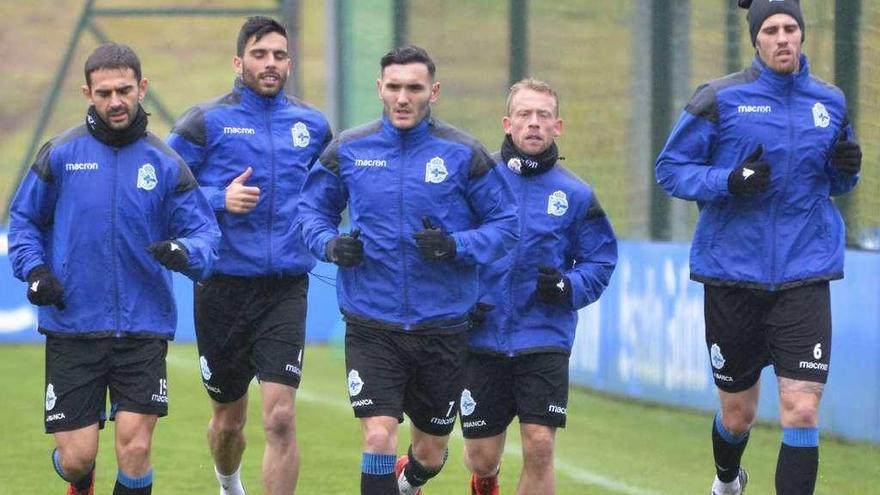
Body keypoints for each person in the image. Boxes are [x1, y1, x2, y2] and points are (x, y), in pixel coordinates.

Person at [655, 1, 862, 493]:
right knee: (738, 414)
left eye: (791, 28)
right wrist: (729, 179)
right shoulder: (720, 99)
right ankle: (728, 478)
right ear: (756, 39)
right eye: (771, 29)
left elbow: (835, 182)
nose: (783, 38)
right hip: (732, 274)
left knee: (802, 407)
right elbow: (671, 170)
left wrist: (846, 168)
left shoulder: (829, 102)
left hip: (804, 273)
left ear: (803, 35)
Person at [298, 45, 519, 495]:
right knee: (378, 433)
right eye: (394, 87)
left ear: (432, 92)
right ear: (379, 89)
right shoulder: (350, 149)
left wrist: (456, 246)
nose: (403, 97)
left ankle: (411, 479)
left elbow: (507, 226)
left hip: (443, 327)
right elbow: (309, 212)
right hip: (370, 321)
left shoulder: (463, 153)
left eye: (414, 88)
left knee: (431, 450)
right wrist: (329, 243)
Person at [7, 42, 219, 495]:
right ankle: (79, 479)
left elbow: (205, 233)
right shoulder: (61, 154)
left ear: (142, 87)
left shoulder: (164, 163)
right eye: (104, 93)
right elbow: (24, 220)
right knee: (77, 456)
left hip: (143, 328)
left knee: (135, 448)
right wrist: (36, 271)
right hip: (73, 326)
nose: (116, 101)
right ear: (88, 93)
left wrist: (185, 251)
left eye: (124, 89)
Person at [166, 16, 332, 495]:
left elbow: (334, 191)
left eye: (279, 55)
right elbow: (162, 189)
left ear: (290, 63)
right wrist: (219, 199)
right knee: (228, 422)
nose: (271, 64)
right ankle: (228, 482)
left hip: (285, 290)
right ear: (239, 62)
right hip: (221, 288)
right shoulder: (204, 122)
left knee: (280, 417)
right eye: (260, 55)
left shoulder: (313, 125)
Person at [460, 79, 618, 495]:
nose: (534, 124)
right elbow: (449, 246)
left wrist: (569, 288)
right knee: (482, 456)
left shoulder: (577, 194)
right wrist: (462, 300)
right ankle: (485, 480)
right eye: (525, 115)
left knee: (541, 444)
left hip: (544, 335)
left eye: (543, 115)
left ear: (558, 126)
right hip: (481, 336)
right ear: (507, 123)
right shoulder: (476, 181)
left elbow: (600, 260)